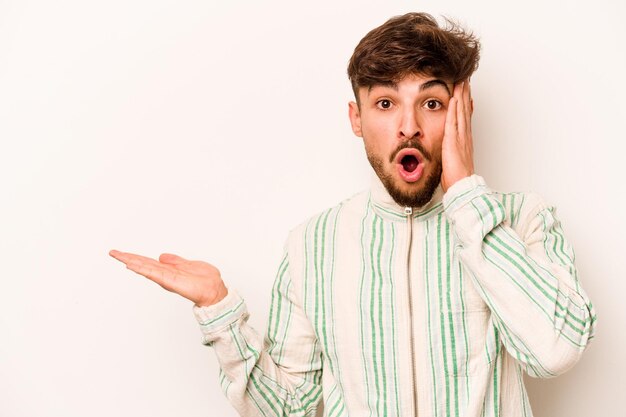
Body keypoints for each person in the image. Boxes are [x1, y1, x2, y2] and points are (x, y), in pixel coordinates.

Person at [110, 12, 596, 417]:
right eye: (386, 103)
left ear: (461, 113)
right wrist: (218, 309)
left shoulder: (524, 219)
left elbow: (556, 351)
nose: (409, 127)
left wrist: (466, 195)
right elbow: (288, 407)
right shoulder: (311, 245)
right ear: (356, 119)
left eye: (431, 103)